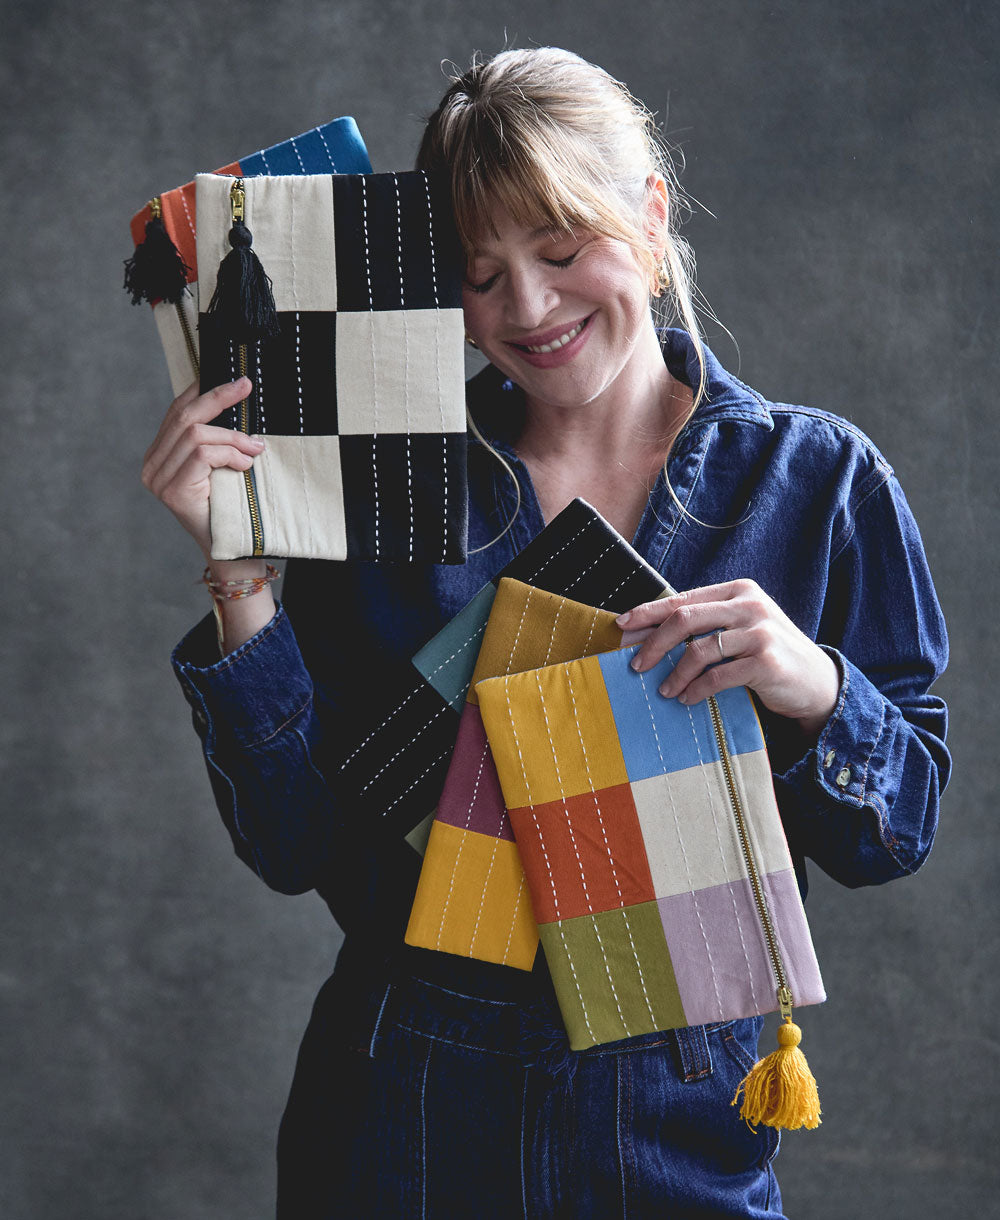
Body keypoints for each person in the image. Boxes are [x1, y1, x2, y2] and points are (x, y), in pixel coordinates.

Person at [142, 47, 950, 1220]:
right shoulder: (378, 480)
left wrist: (813, 683)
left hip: (679, 1113)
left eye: (563, 251)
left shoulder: (814, 480)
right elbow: (292, 842)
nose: (525, 308)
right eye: (480, 273)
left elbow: (898, 827)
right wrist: (239, 577)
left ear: (652, 213)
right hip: (401, 1109)